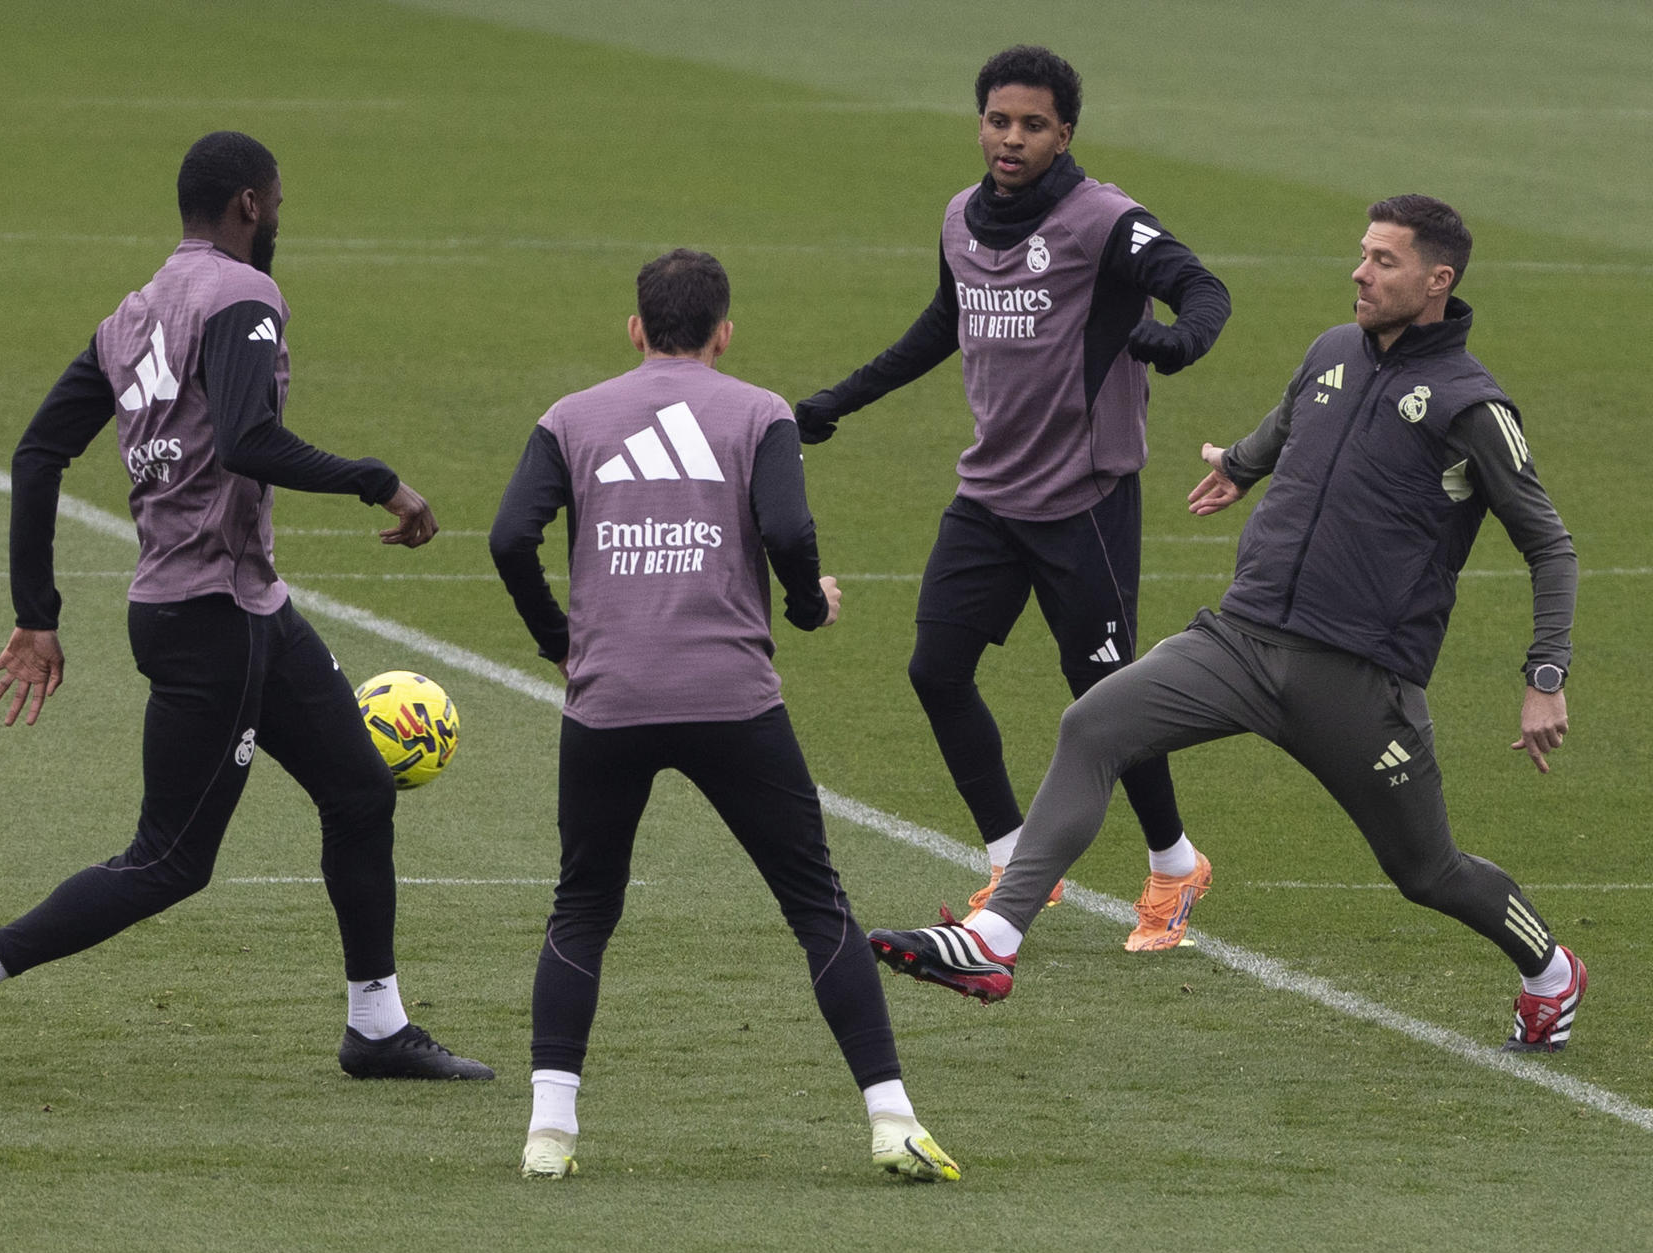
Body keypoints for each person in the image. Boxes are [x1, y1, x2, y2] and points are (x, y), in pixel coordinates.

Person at [867, 194, 1587, 1054]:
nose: (1359, 272)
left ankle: (1551, 971)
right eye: (1362, 253)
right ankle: (996, 940)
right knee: (1093, 723)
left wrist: (1545, 678)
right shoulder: (1331, 350)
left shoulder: (1473, 406)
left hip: (1355, 681)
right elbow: (1292, 422)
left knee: (1426, 872)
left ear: (1438, 281)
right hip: (1239, 641)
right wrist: (1240, 466)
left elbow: (1551, 546)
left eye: (1384, 261)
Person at [0, 131, 492, 1083]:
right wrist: (379, 481)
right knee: (168, 860)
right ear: (250, 204)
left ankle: (376, 1026)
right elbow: (253, 440)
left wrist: (37, 610)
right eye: (278, 202)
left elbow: (37, 453)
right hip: (210, 619)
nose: (280, 218)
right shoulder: (244, 294)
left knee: (358, 789)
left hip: (247, 608)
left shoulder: (128, 317)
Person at [490, 249, 959, 1181]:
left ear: (635, 329)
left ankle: (550, 1134)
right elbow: (787, 532)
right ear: (724, 333)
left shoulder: (571, 418)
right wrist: (805, 604)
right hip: (732, 700)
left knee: (581, 908)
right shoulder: (758, 411)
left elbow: (510, 538)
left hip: (609, 701)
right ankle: (891, 1120)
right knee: (816, 906)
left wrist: (562, 639)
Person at [793, 45, 1232, 950]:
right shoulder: (961, 217)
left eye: (1033, 125)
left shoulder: (1102, 218)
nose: (1012, 138)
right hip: (989, 496)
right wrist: (839, 400)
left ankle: (1176, 866)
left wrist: (1179, 341)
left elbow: (1201, 286)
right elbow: (944, 323)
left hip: (1085, 503)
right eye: (999, 120)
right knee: (935, 670)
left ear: (1064, 133)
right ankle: (1014, 854)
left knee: (1107, 699)